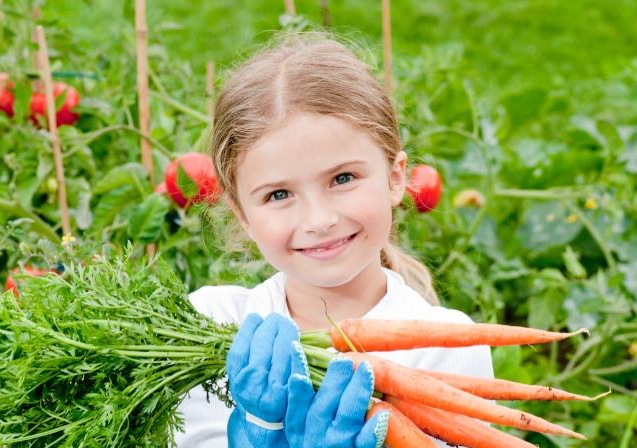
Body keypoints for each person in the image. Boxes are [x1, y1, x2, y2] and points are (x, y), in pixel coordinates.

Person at [175, 34, 494, 447]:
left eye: (342, 179)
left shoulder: (449, 346)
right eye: (279, 195)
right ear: (243, 216)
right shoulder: (212, 327)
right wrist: (258, 434)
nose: (319, 219)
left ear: (396, 177)